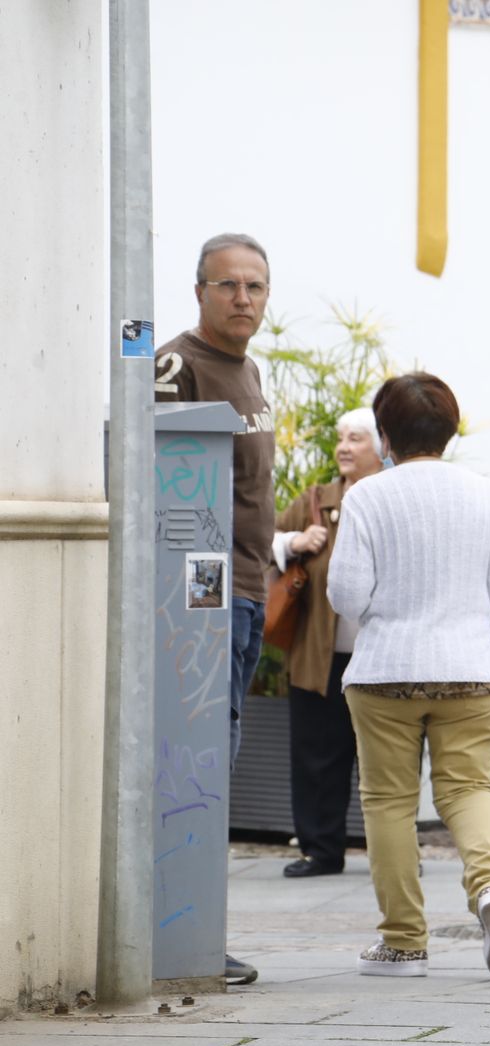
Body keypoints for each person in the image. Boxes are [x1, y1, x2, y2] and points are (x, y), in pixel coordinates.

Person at [327, 372, 490, 980]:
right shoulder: (484, 493)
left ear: (385, 435)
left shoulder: (367, 496)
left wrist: (382, 613)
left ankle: (404, 943)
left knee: (389, 803)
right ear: (451, 430)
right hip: (472, 671)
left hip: (384, 673)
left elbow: (345, 593)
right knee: (470, 789)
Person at [154, 232, 276, 986]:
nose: (243, 299)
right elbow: (169, 490)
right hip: (203, 598)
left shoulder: (250, 369)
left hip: (252, 589)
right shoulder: (177, 366)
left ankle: (197, 929)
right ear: (199, 289)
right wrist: (198, 598)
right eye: (228, 285)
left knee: (218, 762)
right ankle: (186, 931)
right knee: (198, 768)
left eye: (256, 287)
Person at [271, 408, 386, 878]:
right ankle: (320, 850)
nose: (343, 447)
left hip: (382, 660)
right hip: (320, 657)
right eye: (340, 437)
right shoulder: (318, 500)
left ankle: (393, 852)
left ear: (381, 448)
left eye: (356, 438)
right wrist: (296, 541)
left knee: (385, 758)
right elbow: (262, 539)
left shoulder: (392, 499)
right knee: (317, 754)